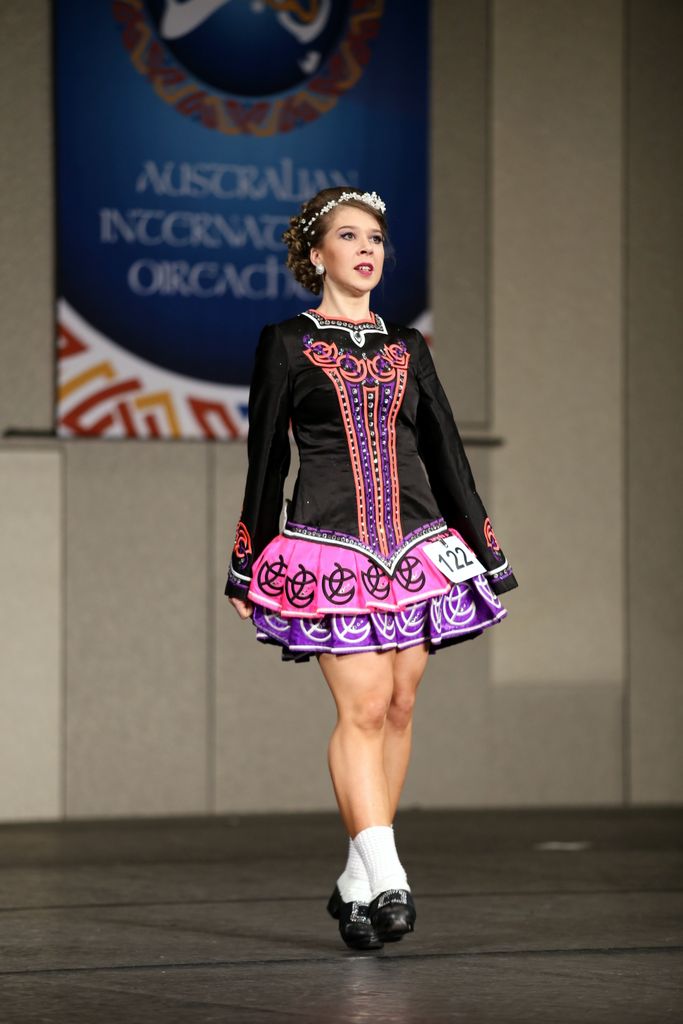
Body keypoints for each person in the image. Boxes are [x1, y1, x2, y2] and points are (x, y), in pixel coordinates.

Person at [226, 186, 517, 951]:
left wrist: (484, 547)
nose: (366, 249)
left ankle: (356, 880)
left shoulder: (406, 347)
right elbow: (266, 456)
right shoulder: (286, 342)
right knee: (359, 706)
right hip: (328, 547)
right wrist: (247, 559)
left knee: (397, 705)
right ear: (315, 254)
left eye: (376, 238)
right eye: (349, 236)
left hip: (415, 547)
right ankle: (389, 875)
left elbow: (445, 451)